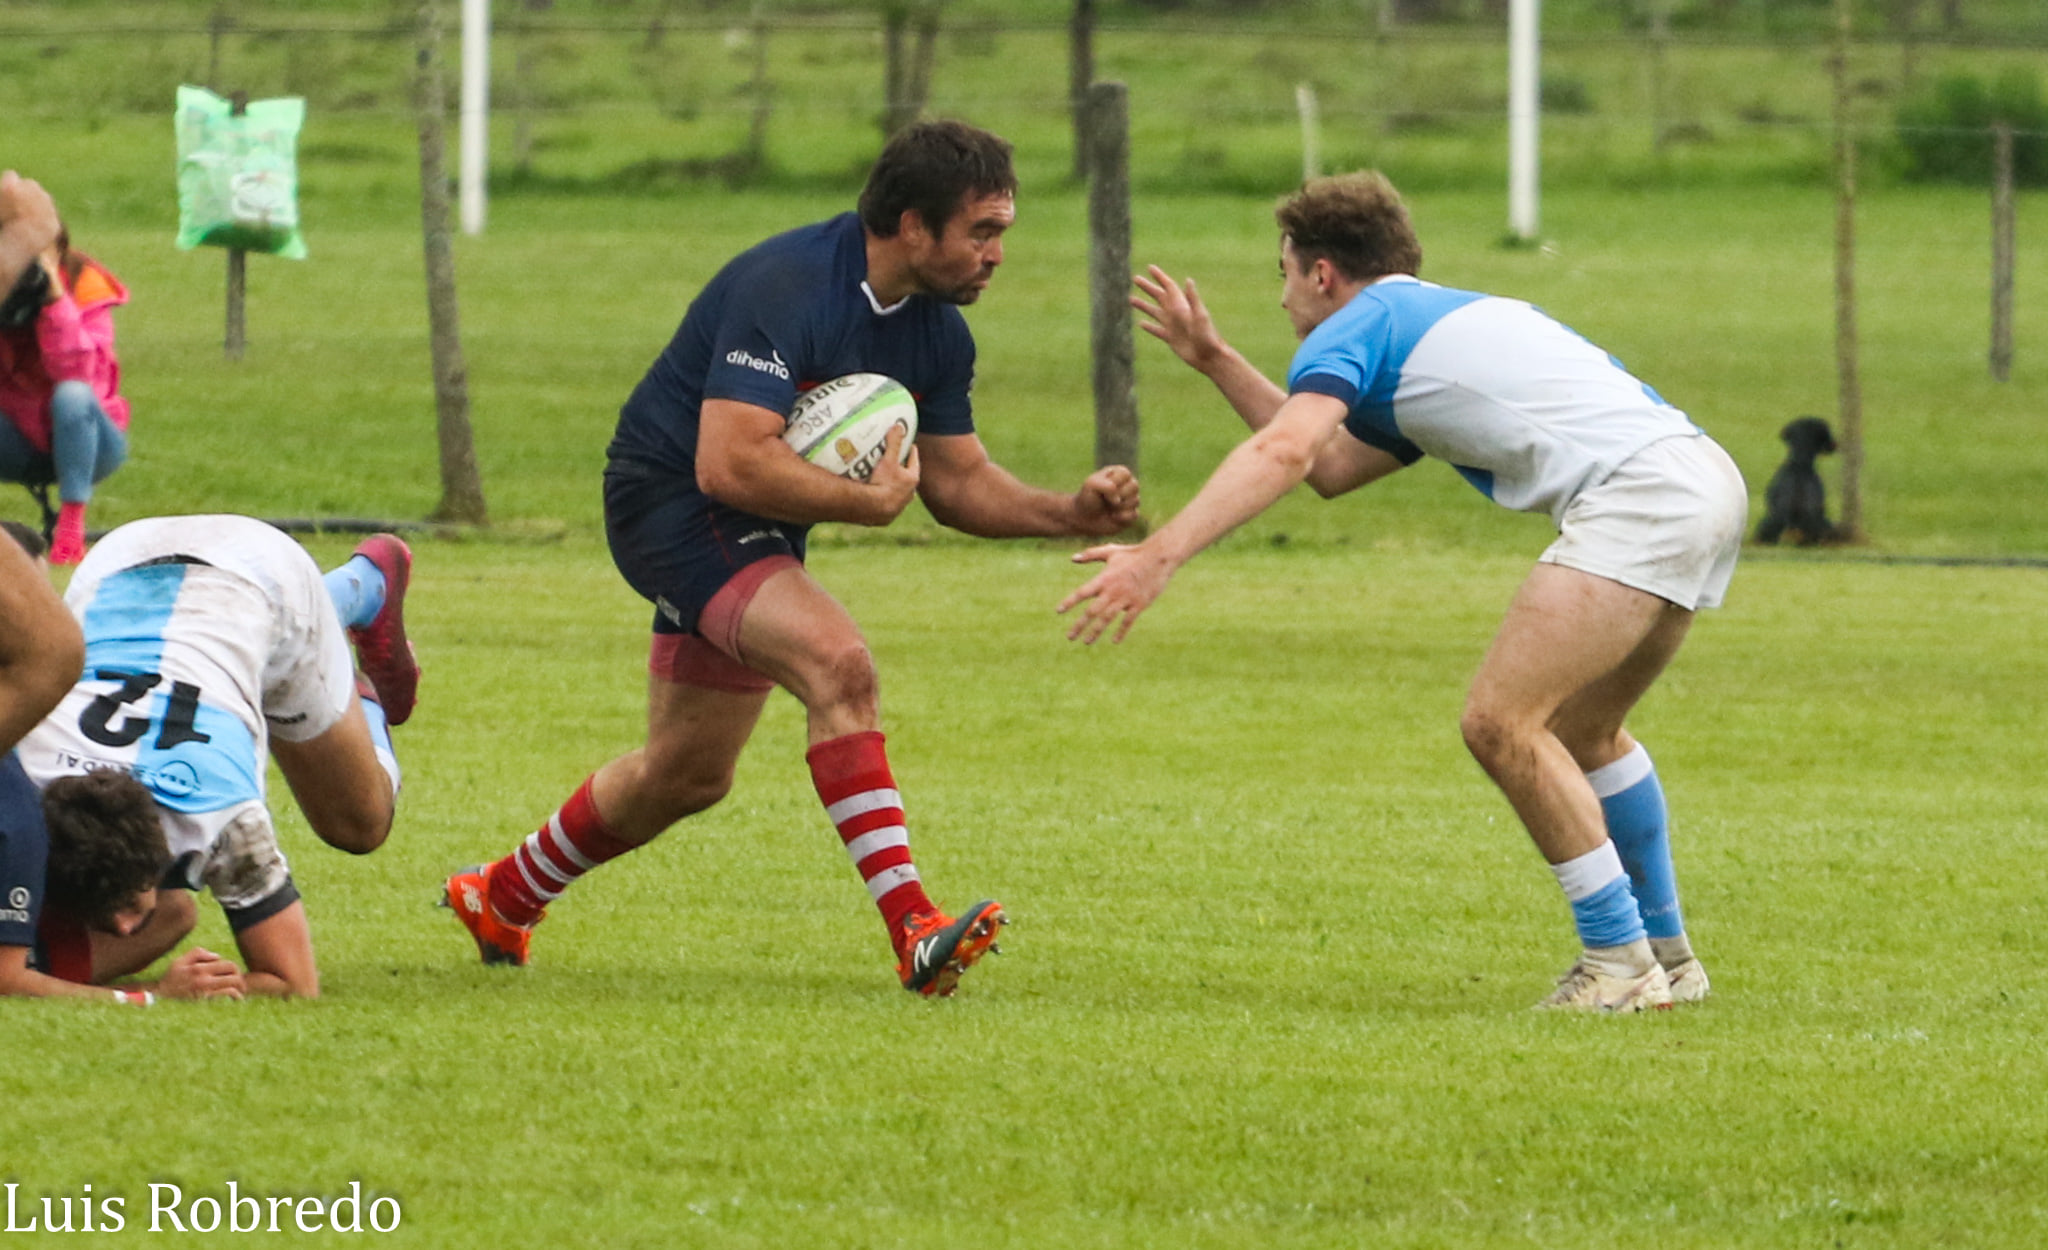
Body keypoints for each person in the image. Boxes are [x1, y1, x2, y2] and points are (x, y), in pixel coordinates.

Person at [441, 119, 1140, 997]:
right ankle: (916, 929)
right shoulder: (790, 285)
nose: (998, 253)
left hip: (754, 519)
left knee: (687, 774)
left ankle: (501, 894)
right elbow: (726, 461)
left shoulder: (937, 335)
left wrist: (1067, 511)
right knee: (838, 667)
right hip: (672, 503)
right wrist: (865, 504)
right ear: (914, 226)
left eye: (1003, 231)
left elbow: (959, 485)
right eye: (983, 231)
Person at [1060, 171, 1746, 1013]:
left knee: (1500, 724)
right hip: (1702, 475)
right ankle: (1668, 958)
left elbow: (1285, 454)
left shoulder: (1356, 328)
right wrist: (1213, 359)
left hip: (1639, 494)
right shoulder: (1435, 321)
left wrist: (1159, 555)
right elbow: (1334, 466)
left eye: (1283, 274)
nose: (1281, 301)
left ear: (1322, 275)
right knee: (1586, 730)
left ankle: (1619, 960)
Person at [13, 514, 420, 999]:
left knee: (359, 824)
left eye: (123, 905)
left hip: (271, 580)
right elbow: (174, 914)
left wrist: (161, 995)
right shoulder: (20, 768)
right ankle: (331, 673)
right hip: (120, 556)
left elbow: (295, 983)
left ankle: (365, 592)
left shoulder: (224, 816)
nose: (122, 929)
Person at [0, 193, 133, 566]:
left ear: (56, 247)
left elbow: (76, 375)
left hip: (92, 442)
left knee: (72, 395)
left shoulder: (85, 289)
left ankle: (71, 532)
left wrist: (54, 303)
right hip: (19, 441)